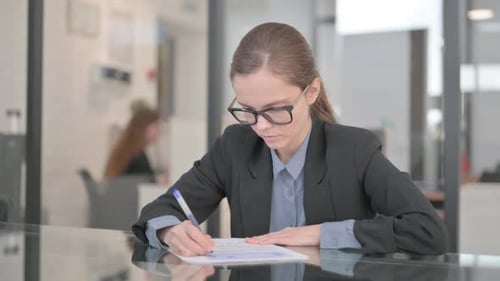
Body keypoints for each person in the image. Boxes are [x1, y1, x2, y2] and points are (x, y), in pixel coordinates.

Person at [132, 22, 447, 256]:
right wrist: (170, 230)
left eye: (275, 109)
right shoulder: (235, 147)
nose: (261, 126)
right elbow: (161, 209)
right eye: (249, 110)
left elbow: (427, 231)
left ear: (311, 92)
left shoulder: (354, 150)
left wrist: (322, 234)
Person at [104, 108, 162, 182]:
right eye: (156, 126)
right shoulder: (137, 155)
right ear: (144, 127)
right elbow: (147, 181)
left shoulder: (126, 149)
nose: (159, 131)